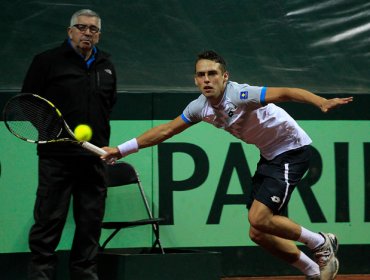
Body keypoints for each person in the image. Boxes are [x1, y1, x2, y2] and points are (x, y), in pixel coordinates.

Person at [101, 50, 352, 280]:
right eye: (201, 75)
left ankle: (320, 243)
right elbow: (166, 130)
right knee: (258, 232)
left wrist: (320, 101)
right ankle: (312, 272)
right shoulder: (199, 107)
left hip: (292, 150)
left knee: (259, 217)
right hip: (269, 156)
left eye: (212, 74)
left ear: (225, 76)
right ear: (195, 80)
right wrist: (120, 151)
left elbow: (285, 92)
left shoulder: (241, 94)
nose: (207, 80)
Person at [22, 9, 117, 280]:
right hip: (56, 158)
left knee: (90, 224)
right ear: (70, 31)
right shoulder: (46, 62)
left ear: (98, 34)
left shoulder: (107, 64)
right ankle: (41, 276)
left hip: (94, 159)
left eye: (93, 29)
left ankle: (85, 275)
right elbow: (29, 103)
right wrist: (54, 132)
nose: (87, 33)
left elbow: (108, 103)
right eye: (81, 27)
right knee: (48, 222)